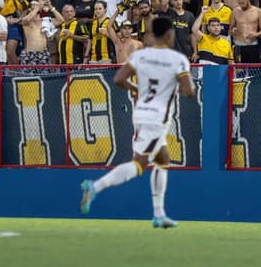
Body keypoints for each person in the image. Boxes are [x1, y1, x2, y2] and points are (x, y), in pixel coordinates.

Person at [80, 16, 195, 228]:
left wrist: (135, 89)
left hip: (141, 112)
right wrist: (171, 87)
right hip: (157, 118)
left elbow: (118, 79)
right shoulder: (177, 59)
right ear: (170, 35)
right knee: (139, 164)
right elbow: (189, 90)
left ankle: (159, 214)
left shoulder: (140, 56)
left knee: (162, 158)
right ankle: (95, 187)